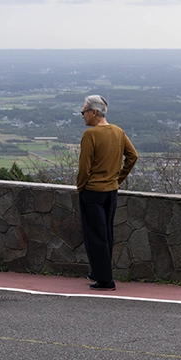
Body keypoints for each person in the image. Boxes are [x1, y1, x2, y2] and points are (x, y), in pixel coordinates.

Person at [77, 95, 138, 291]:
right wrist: (118, 178)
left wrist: (81, 187)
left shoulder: (90, 135)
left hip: (93, 191)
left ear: (94, 112)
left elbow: (84, 169)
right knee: (107, 233)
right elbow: (133, 156)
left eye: (84, 112)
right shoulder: (118, 132)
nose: (83, 116)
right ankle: (99, 272)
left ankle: (104, 279)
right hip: (111, 191)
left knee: (95, 235)